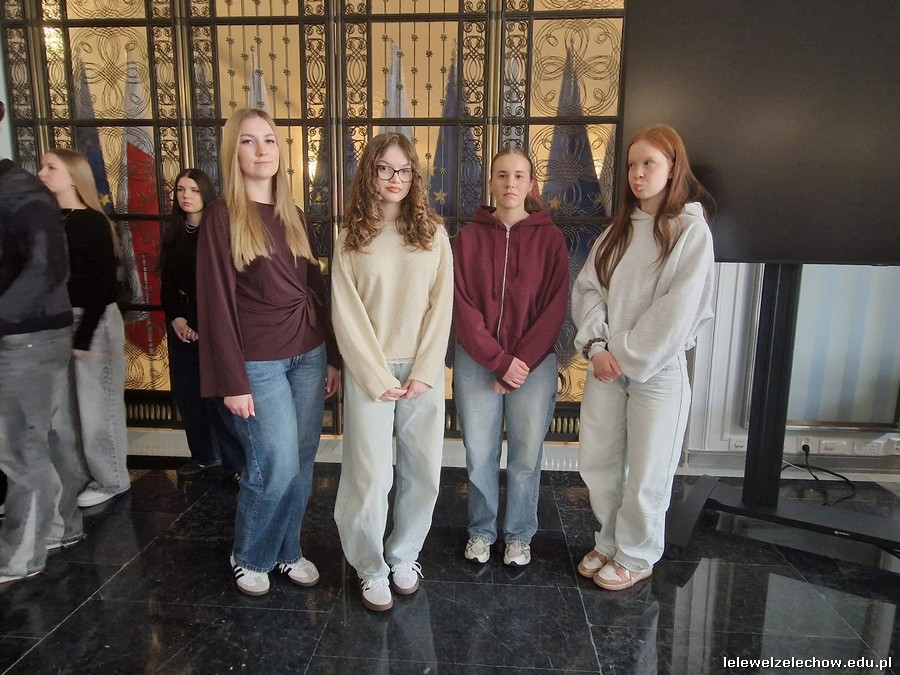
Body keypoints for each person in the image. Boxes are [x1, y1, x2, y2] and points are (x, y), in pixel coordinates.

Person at [196, 108, 340, 597]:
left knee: (301, 461)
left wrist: (333, 356)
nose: (262, 150)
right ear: (233, 152)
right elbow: (215, 303)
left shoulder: (292, 213)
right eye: (249, 141)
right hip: (257, 363)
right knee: (273, 463)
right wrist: (231, 380)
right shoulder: (222, 217)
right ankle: (250, 555)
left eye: (270, 140)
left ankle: (287, 550)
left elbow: (316, 287)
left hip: (308, 353)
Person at [572, 124, 715, 590]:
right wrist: (597, 347)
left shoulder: (690, 232)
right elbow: (589, 290)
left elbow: (677, 309)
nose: (637, 173)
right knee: (600, 462)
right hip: (606, 369)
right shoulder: (616, 232)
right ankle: (609, 539)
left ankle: (636, 554)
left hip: (658, 372)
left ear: (673, 167)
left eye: (648, 163)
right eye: (632, 164)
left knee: (648, 470)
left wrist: (621, 351)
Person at [332, 132, 453, 612]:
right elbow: (345, 313)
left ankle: (404, 555)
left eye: (403, 170)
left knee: (423, 471)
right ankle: (370, 566)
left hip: (421, 371)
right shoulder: (350, 238)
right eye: (384, 168)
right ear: (370, 173)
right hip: (371, 373)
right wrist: (375, 375)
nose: (394, 179)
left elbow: (442, 307)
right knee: (369, 474)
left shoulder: (433, 235)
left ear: (414, 176)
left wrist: (425, 370)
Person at [452, 147, 568, 568]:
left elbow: (555, 307)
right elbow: (461, 306)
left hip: (533, 366)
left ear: (531, 183)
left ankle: (519, 536)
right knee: (479, 453)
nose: (510, 184)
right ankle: (481, 531)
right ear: (491, 183)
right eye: (502, 175)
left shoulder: (550, 239)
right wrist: (497, 361)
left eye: (519, 175)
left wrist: (519, 362)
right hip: (477, 362)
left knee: (525, 456)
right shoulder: (466, 239)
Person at [0, 100, 85, 585]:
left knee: (21, 447)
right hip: (29, 334)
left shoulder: (20, 193)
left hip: (25, 338)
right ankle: (61, 526)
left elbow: (48, 266)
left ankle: (19, 556)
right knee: (44, 439)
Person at [38, 148, 130, 509]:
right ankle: (75, 477)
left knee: (97, 407)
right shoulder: (49, 219)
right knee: (64, 412)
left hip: (93, 320)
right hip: (59, 321)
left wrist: (85, 333)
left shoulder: (90, 221)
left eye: (51, 168)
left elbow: (103, 285)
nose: (42, 174)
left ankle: (111, 479)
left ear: (73, 176)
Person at [159, 168, 243, 480]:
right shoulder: (174, 233)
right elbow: (167, 281)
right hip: (181, 324)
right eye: (181, 190)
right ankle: (204, 455)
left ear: (206, 193)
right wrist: (177, 318)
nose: (186, 196)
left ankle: (237, 464)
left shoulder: (219, 230)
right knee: (188, 394)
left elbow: (224, 284)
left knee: (220, 397)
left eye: (194, 190)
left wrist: (201, 322)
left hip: (213, 322)